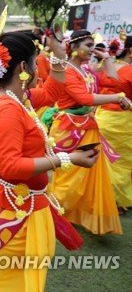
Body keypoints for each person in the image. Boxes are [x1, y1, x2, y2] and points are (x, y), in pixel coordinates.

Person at [0, 31, 101, 291]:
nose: (38, 69)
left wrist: (58, 56)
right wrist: (68, 158)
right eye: (36, 62)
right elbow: (11, 166)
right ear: (24, 67)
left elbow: (54, 90)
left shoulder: (16, 98)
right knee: (2, 284)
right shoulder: (7, 109)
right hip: (4, 206)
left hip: (17, 201)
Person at [46, 30, 128, 235]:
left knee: (87, 173)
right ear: (73, 48)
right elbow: (84, 99)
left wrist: (107, 57)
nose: (92, 50)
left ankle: (73, 213)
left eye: (93, 46)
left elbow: (115, 80)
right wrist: (117, 98)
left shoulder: (85, 70)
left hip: (87, 125)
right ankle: (50, 212)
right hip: (69, 127)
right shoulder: (67, 70)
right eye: (88, 46)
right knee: (69, 175)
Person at [95, 35, 132, 213]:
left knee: (104, 159)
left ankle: (100, 196)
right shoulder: (130, 71)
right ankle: (115, 200)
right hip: (122, 122)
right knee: (120, 161)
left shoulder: (106, 67)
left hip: (101, 117)